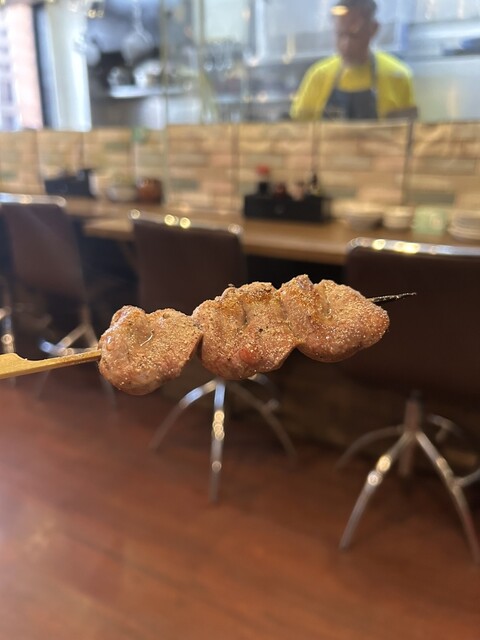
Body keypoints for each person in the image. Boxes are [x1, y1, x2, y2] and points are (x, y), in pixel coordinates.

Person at [290, 0, 417, 121]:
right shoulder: (318, 75)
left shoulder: (397, 75)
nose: (346, 44)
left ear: (373, 29)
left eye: (354, 35)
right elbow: (298, 129)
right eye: (340, 35)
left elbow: (407, 131)